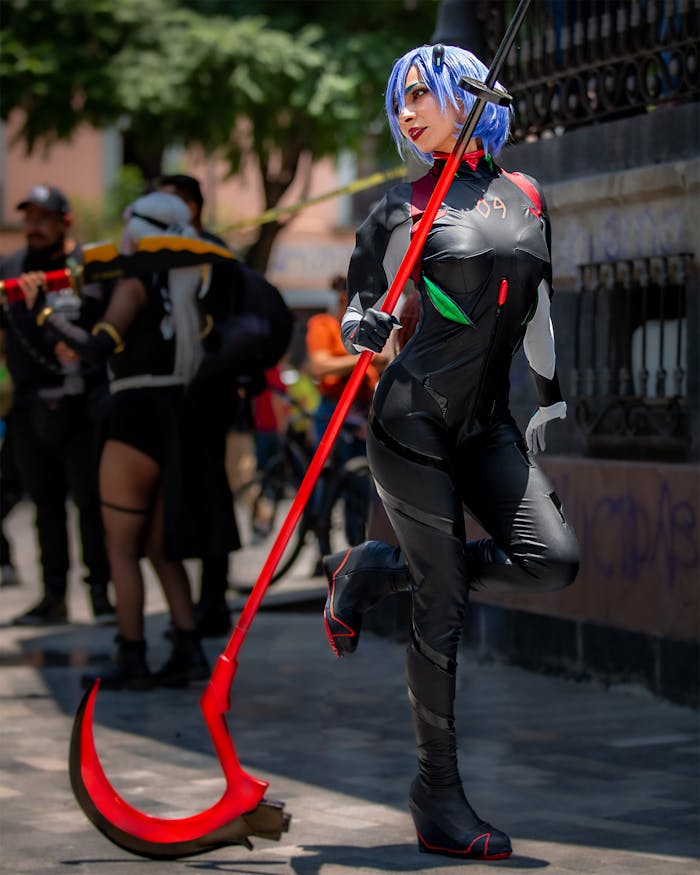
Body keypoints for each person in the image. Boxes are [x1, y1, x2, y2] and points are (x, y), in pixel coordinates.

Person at [321, 45, 580, 861]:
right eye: (400, 101)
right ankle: (437, 793)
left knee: (553, 559)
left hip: (489, 423)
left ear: (471, 95)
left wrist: (555, 396)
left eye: (420, 96)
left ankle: (371, 570)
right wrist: (360, 325)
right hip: (413, 419)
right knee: (446, 603)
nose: (405, 113)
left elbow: (536, 310)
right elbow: (360, 309)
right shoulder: (398, 210)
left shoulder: (530, 196)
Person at [22, 191, 211, 689]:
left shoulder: (136, 280)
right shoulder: (187, 281)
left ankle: (132, 655)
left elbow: (94, 348)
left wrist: (43, 309)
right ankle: (188, 648)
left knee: (121, 547)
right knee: (159, 547)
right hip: (175, 415)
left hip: (134, 416)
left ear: (138, 230)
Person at [0, 185, 114, 625]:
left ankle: (100, 593)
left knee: (90, 503)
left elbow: (107, 323)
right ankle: (53, 597)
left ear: (65, 222)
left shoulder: (89, 265)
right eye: (28, 217)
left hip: (83, 402)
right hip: (30, 404)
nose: (33, 226)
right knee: (44, 505)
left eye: (43, 218)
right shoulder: (13, 268)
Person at [158, 174, 240, 638]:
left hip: (205, 394)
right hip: (178, 393)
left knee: (208, 496)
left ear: (189, 207)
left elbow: (215, 325)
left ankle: (211, 603)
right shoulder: (169, 252)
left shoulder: (209, 254)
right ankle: (197, 606)